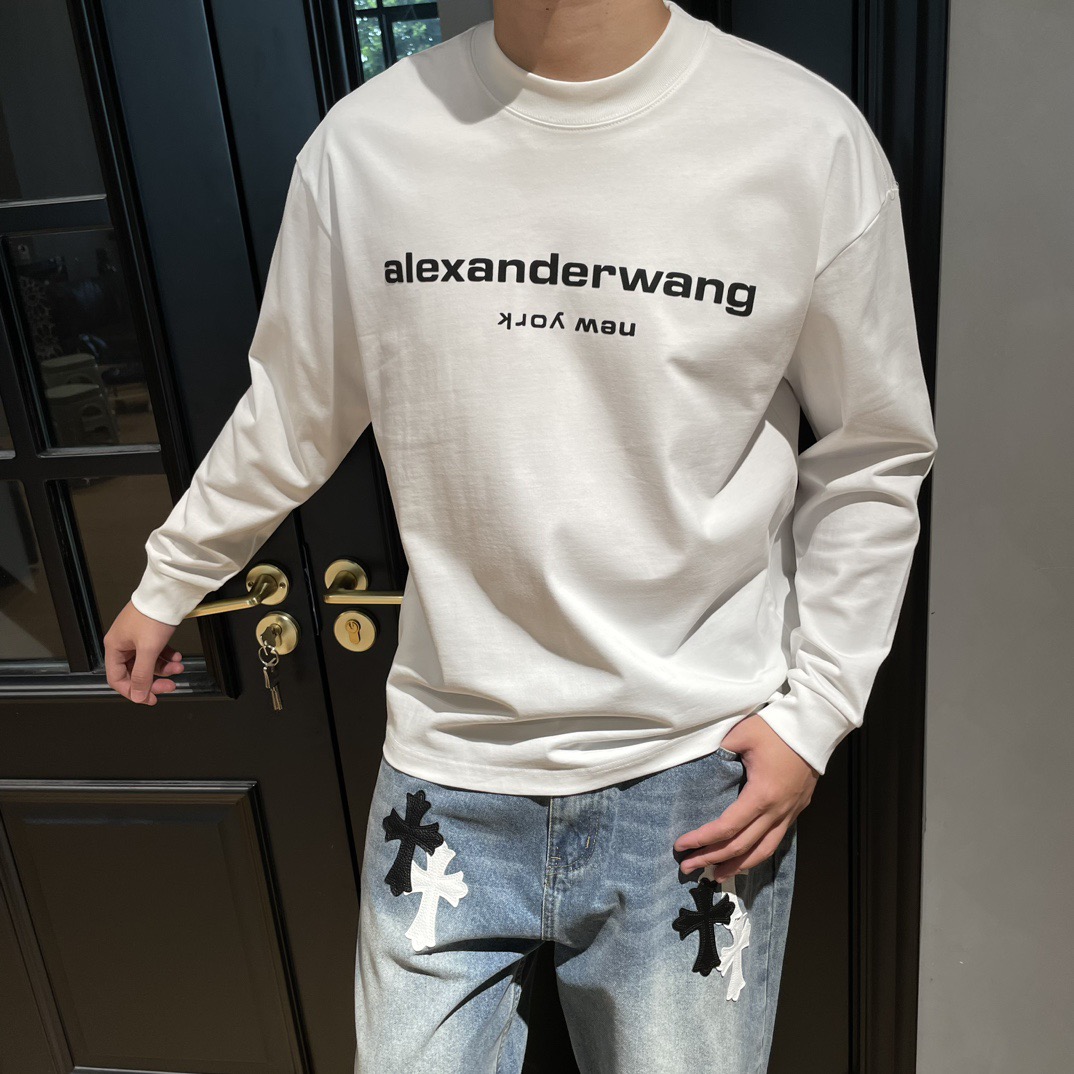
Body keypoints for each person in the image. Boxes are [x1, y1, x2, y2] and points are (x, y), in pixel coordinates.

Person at [104, 0, 939, 1069]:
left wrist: (816, 711)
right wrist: (173, 576)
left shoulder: (804, 142)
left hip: (691, 775)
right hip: (447, 771)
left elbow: (873, 452)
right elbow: (295, 409)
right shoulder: (366, 148)